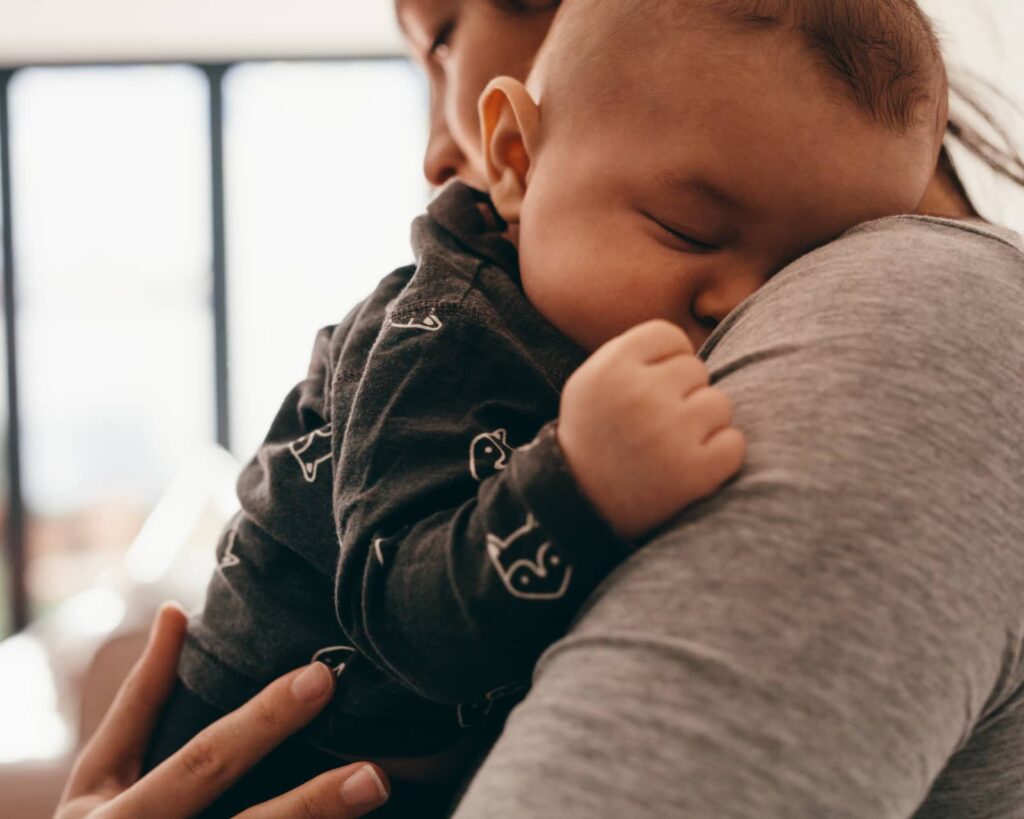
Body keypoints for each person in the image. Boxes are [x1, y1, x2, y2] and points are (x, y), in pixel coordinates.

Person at [57, 0, 1024, 816]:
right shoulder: (447, 328)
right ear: (517, 154)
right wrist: (576, 485)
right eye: (688, 229)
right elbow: (406, 615)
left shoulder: (905, 321)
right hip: (292, 757)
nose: (742, 304)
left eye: (801, 269)